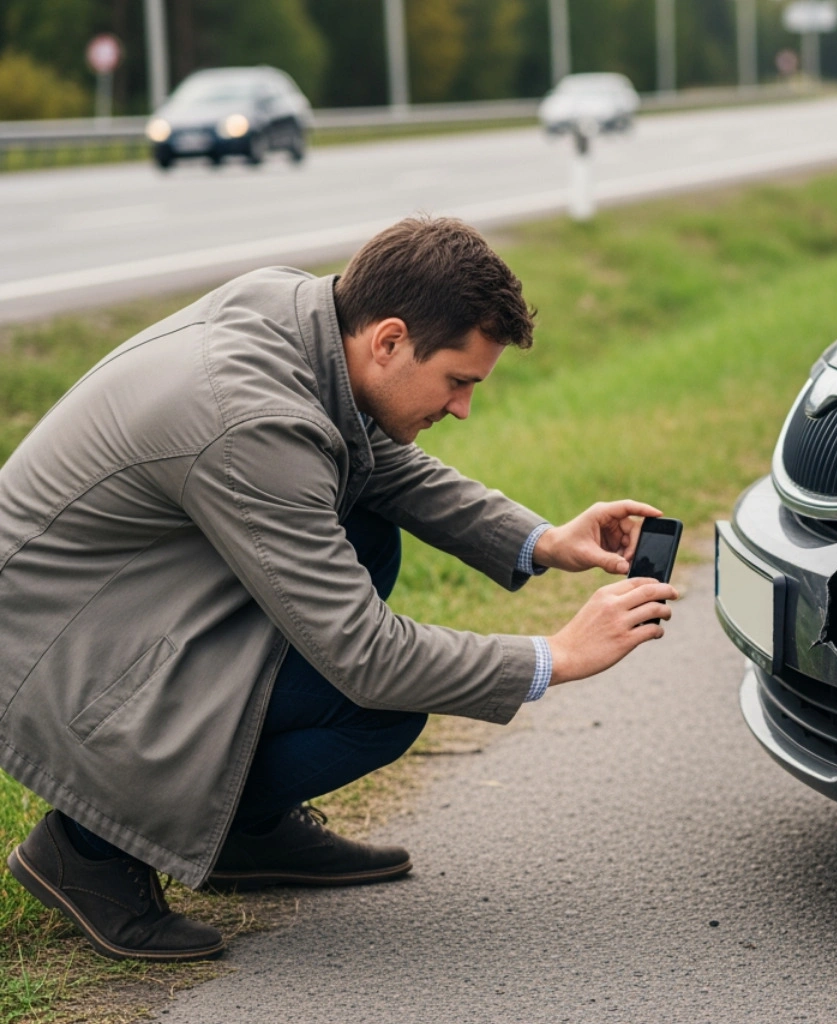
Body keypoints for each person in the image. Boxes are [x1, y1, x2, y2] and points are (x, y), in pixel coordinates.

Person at [0, 216, 678, 962]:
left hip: (114, 595)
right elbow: (366, 656)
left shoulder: (298, 312)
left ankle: (244, 834)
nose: (462, 408)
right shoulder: (251, 422)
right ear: (388, 339)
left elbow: (376, 460)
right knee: (379, 709)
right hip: (57, 655)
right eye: (457, 381)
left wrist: (544, 541)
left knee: (364, 527)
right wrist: (555, 655)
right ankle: (87, 847)